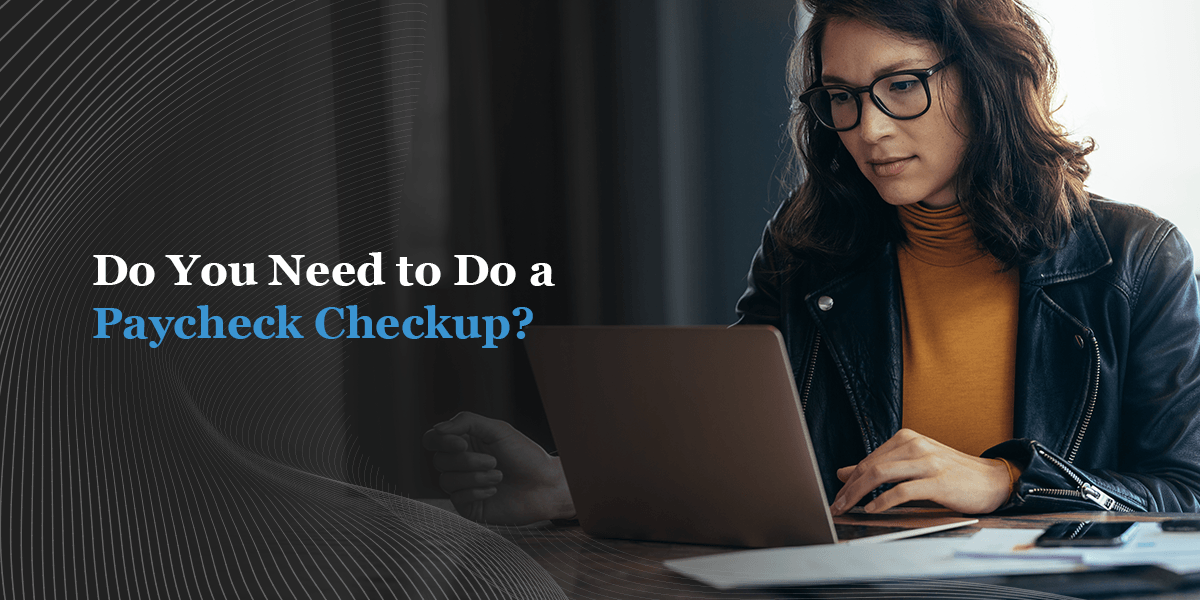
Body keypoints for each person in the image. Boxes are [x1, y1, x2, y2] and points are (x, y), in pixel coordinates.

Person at [424, 0, 1200, 525]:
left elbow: (1187, 492)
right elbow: (734, 456)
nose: (867, 128)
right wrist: (571, 486)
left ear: (988, 78)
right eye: (842, 96)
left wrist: (1006, 482)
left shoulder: (1134, 258)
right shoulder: (807, 250)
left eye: (902, 86)